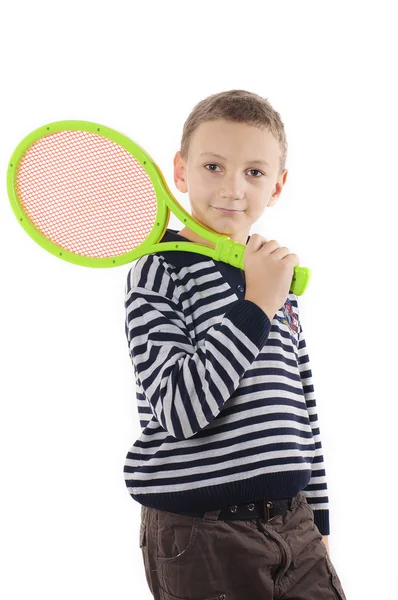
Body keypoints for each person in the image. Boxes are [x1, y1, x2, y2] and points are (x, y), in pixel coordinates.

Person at [123, 89, 346, 600]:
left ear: (277, 185)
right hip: (202, 533)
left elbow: (301, 406)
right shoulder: (160, 272)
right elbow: (181, 411)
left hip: (296, 528)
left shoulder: (271, 277)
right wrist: (257, 305)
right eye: (213, 166)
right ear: (180, 172)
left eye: (254, 172)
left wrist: (320, 519)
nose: (232, 188)